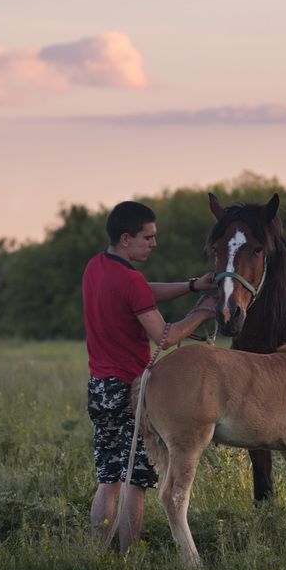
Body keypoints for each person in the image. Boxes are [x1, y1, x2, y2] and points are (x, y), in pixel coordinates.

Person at [83, 200, 217, 551]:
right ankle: (129, 560)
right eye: (148, 237)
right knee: (135, 480)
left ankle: (97, 555)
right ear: (126, 239)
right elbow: (165, 336)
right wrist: (203, 311)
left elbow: (142, 289)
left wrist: (191, 286)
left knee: (108, 478)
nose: (153, 243)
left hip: (99, 387)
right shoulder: (130, 282)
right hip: (130, 391)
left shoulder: (96, 267)